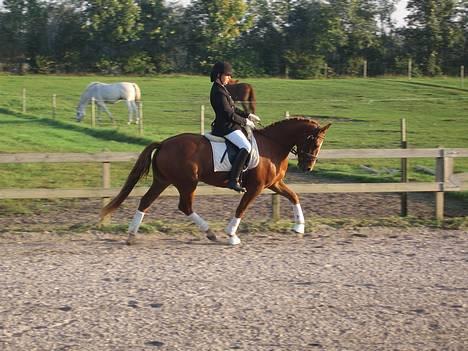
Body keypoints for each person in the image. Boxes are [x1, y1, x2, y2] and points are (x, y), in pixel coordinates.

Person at [209, 61, 261, 193]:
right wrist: (244, 122)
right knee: (246, 147)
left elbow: (232, 108)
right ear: (219, 75)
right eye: (227, 75)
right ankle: (234, 180)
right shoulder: (218, 91)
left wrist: (248, 115)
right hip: (225, 127)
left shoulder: (222, 88)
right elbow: (228, 114)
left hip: (231, 124)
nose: (229, 78)